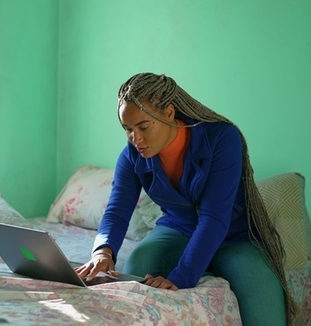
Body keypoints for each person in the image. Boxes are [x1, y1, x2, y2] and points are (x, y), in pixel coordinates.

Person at [74, 72, 302, 326]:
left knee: (266, 313)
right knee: (137, 264)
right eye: (127, 129)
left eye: (143, 127)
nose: (135, 138)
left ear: (169, 113)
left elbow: (214, 218)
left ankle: (210, 264)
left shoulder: (223, 138)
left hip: (235, 237)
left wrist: (183, 276)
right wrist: (103, 252)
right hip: (177, 229)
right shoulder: (131, 157)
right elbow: (116, 212)